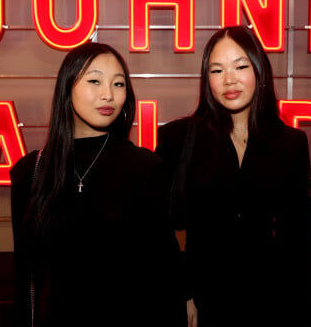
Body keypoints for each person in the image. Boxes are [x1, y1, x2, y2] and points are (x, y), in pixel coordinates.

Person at [10, 42, 186, 327]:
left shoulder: (145, 167)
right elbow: (26, 274)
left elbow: (163, 263)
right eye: (95, 81)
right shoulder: (32, 172)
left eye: (118, 84)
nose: (108, 95)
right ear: (67, 88)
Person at [155, 25, 311, 326]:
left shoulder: (290, 143)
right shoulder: (178, 138)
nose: (229, 79)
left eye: (240, 66)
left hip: (272, 301)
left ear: (259, 71)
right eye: (217, 70)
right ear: (207, 80)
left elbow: (300, 241)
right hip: (203, 300)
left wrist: (301, 310)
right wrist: (182, 293)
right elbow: (156, 229)